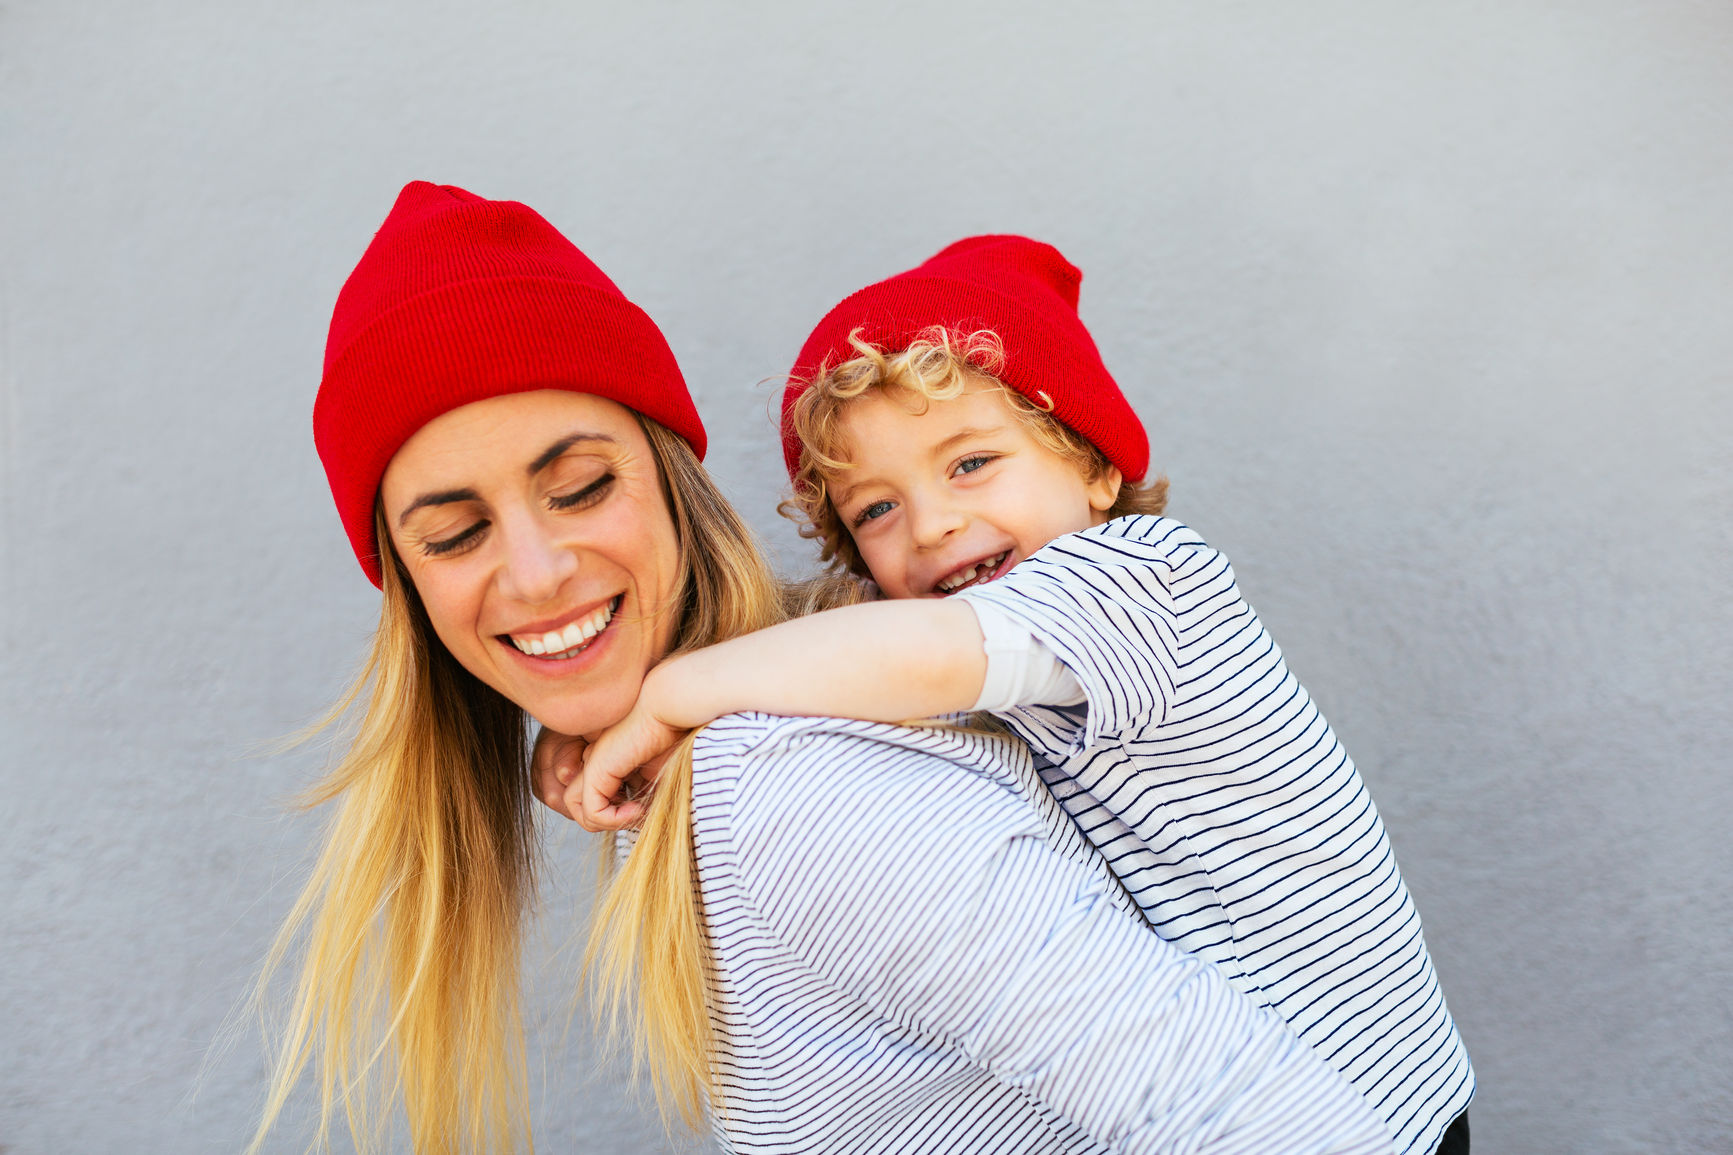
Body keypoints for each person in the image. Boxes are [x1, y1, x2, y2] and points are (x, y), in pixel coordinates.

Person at [250, 183, 1395, 1155]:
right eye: (453, 534)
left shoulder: (806, 784)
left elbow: (1269, 1121)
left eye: (582, 484)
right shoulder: (796, 714)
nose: (540, 573)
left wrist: (676, 689)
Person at [543, 237, 1474, 1153]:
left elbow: (914, 652)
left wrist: (669, 692)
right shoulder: (946, 620)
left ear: (1094, 465)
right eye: (875, 509)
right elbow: (828, 641)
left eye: (969, 463)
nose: (933, 522)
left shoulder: (1146, 582)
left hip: (1368, 1101)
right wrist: (595, 705)